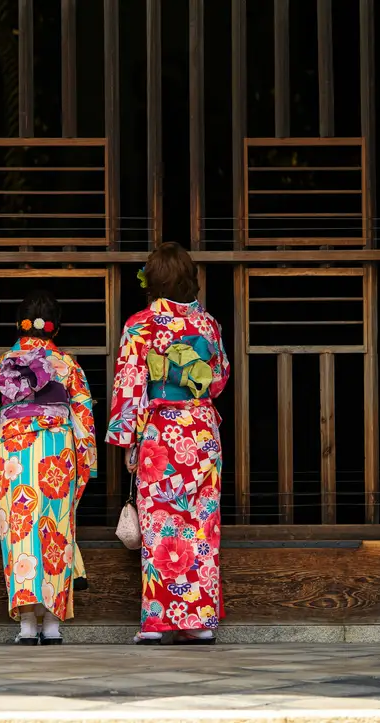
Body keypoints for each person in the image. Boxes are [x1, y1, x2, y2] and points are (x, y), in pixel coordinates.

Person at [106, 242, 230, 645]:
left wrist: (127, 439)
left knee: (161, 524)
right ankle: (198, 620)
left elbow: (130, 385)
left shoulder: (141, 325)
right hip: (201, 430)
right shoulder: (208, 324)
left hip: (161, 432)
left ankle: (159, 620)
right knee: (201, 524)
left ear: (153, 281)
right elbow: (219, 379)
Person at [0, 290, 97, 645]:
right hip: (58, 449)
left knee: (20, 529)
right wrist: (82, 459)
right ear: (55, 329)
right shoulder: (68, 365)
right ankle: (54, 624)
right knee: (56, 529)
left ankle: (27, 624)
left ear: (19, 325)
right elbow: (85, 418)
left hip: (15, 450)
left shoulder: (0, 365)